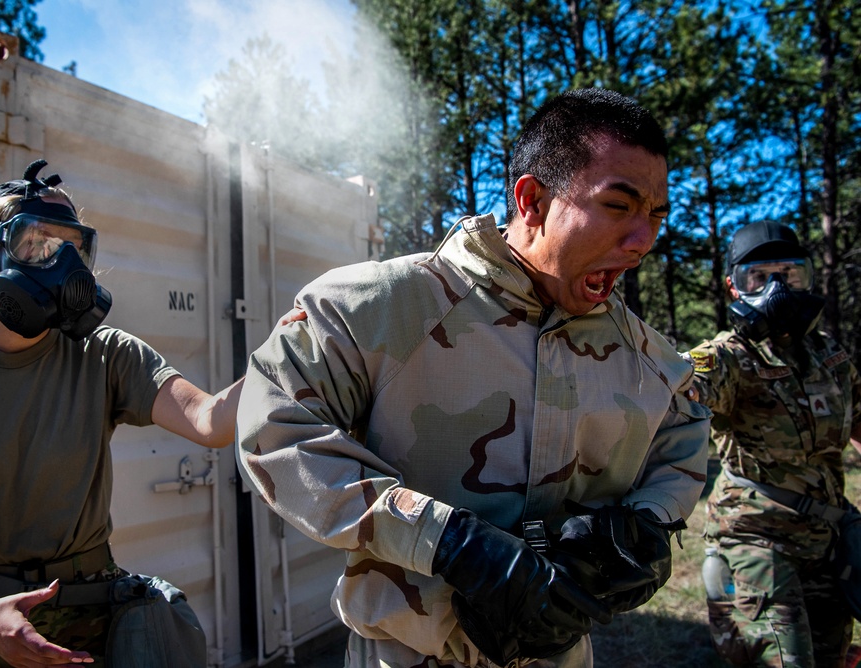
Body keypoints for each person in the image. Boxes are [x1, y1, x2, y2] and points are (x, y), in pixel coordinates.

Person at [236, 88, 711, 668]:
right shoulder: (381, 308)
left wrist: (644, 527)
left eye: (656, 216)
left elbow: (684, 444)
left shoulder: (645, 356)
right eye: (619, 206)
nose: (643, 243)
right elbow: (274, 426)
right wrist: (447, 542)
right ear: (532, 201)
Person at [0, 159, 296, 667]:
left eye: (72, 247)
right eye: (36, 243)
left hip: (87, 625)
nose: (58, 262)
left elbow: (211, 421)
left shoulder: (104, 354)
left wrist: (284, 351)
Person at [687, 221, 861, 667]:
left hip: (826, 540)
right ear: (734, 286)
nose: (777, 288)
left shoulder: (830, 356)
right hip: (754, 539)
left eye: (790, 273)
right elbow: (682, 386)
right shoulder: (730, 355)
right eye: (760, 277)